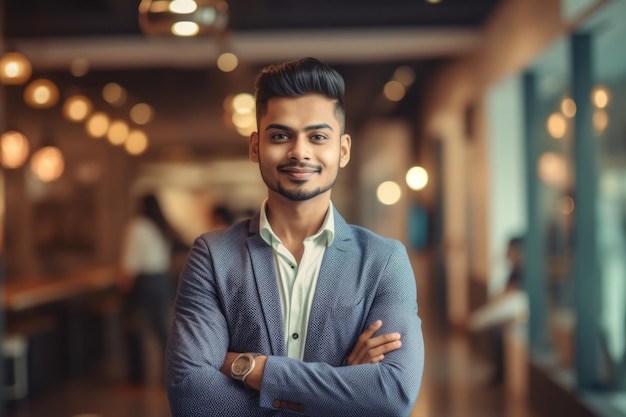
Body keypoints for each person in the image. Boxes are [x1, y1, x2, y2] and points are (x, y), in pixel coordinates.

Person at [165, 57, 424, 416]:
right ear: (255, 146)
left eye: (318, 137)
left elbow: (393, 394)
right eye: (280, 136)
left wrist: (253, 368)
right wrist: (343, 387)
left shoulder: (383, 261)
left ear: (343, 150)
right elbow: (190, 396)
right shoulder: (213, 256)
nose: (299, 152)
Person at [119, 193, 175, 384]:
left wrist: (124, 290)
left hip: (143, 283)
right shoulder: (161, 227)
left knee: (135, 329)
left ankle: (137, 377)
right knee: (162, 331)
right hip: (161, 280)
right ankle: (170, 375)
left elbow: (130, 263)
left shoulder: (137, 226)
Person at [468, 235, 527, 386]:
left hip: (520, 312)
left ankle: (473, 323)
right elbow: (506, 291)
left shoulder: (526, 270)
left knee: (496, 331)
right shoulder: (515, 269)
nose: (511, 255)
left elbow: (512, 292)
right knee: (496, 331)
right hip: (512, 312)